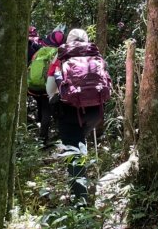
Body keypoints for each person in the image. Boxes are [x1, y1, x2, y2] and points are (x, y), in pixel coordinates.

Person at [46, 28, 109, 204]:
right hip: (95, 112)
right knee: (81, 139)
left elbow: (50, 89)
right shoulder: (96, 55)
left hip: (70, 112)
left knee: (74, 152)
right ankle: (86, 183)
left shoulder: (60, 56)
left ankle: (80, 202)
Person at [27, 28, 65, 147]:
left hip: (33, 87)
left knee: (42, 107)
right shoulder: (59, 53)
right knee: (48, 110)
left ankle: (40, 131)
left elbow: (30, 66)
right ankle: (43, 138)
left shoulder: (39, 51)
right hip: (48, 86)